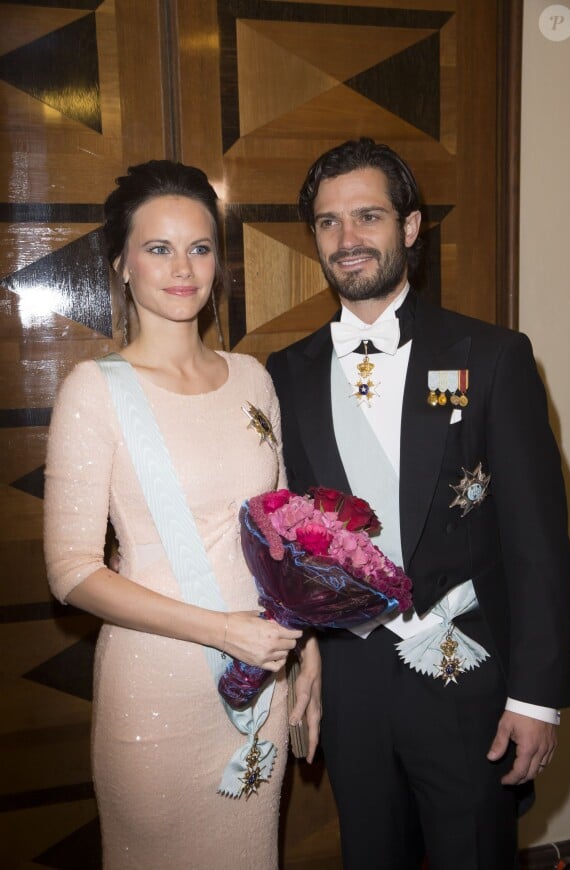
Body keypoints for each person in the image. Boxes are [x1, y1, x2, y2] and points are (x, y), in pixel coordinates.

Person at [267, 138, 570, 870]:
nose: (348, 239)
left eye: (368, 216)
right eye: (328, 222)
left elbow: (538, 542)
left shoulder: (493, 356)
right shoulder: (283, 374)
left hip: (465, 671)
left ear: (409, 228)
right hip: (352, 681)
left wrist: (537, 697)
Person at [44, 159, 320, 870]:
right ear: (122, 264)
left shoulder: (254, 378)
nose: (182, 268)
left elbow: (281, 532)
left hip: (264, 679)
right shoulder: (94, 391)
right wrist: (223, 631)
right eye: (158, 247)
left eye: (199, 247)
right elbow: (70, 572)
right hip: (159, 694)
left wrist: (307, 647)